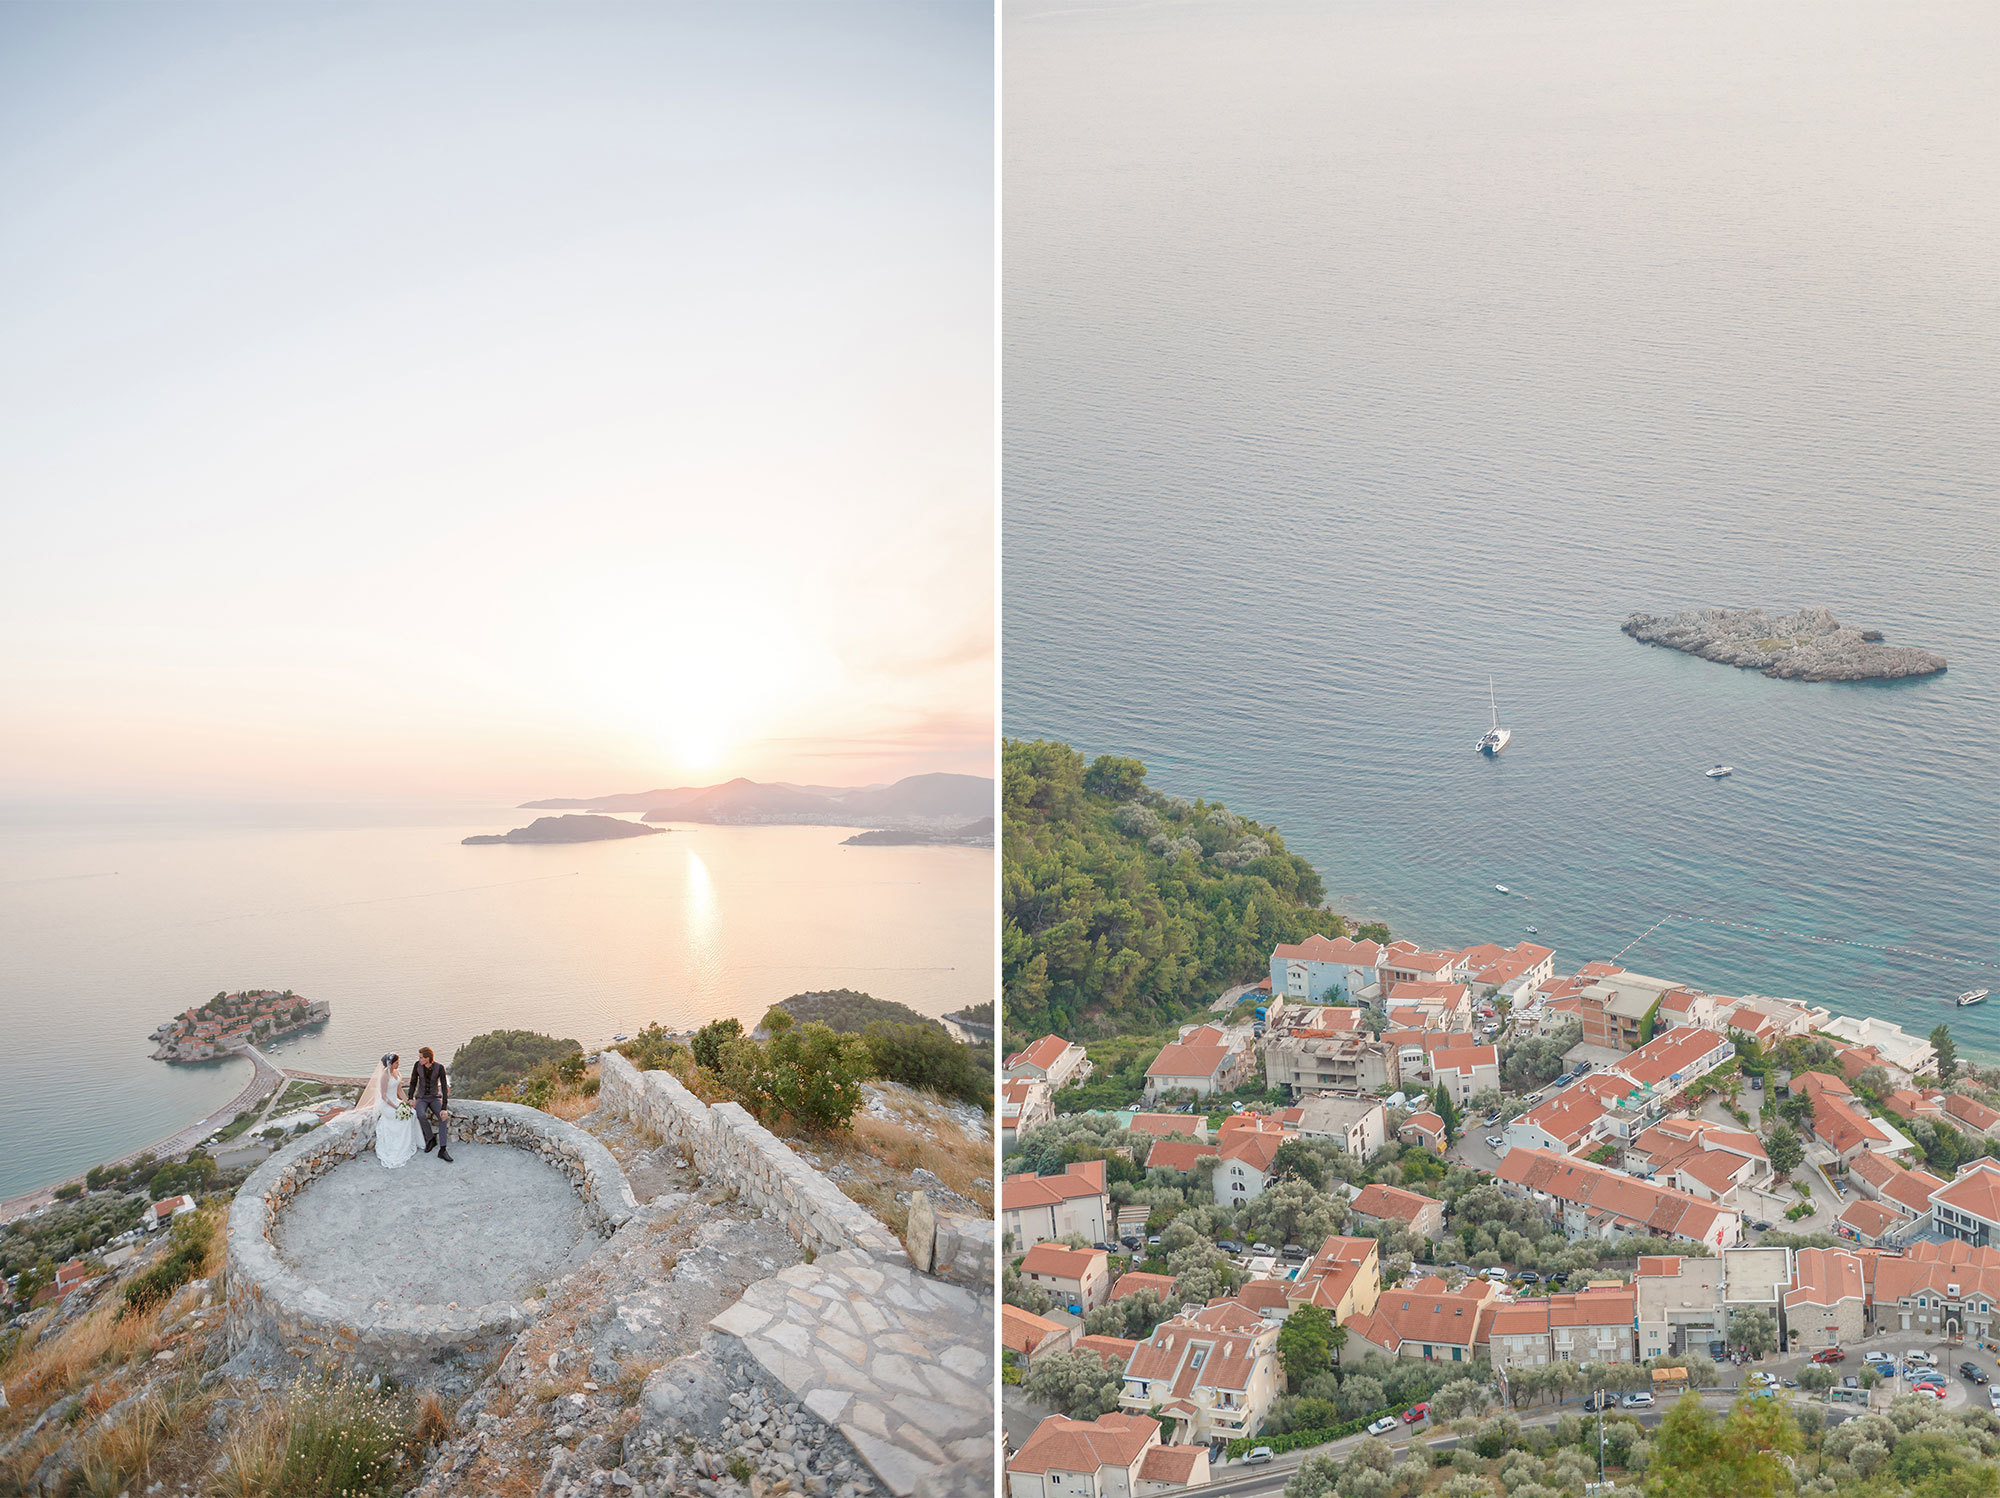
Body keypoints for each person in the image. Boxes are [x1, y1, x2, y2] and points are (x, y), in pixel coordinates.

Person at [343, 1052, 422, 1169]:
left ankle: (407, 1144)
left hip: (395, 1101)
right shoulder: (384, 1076)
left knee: (412, 1113)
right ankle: (397, 1147)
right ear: (390, 1064)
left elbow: (399, 1090)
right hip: (386, 1104)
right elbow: (384, 1096)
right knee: (400, 1118)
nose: (398, 1065)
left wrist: (406, 1102)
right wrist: (397, 1108)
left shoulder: (396, 1072)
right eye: (396, 1063)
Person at [410, 1045, 453, 1163]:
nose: (419, 1060)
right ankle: (431, 1139)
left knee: (442, 1118)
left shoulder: (439, 1068)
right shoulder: (417, 1066)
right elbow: (413, 1082)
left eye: (421, 1058)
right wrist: (410, 1098)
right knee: (421, 1115)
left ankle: (442, 1150)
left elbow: (444, 1087)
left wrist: (444, 1107)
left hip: (434, 1098)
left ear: (428, 1058)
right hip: (422, 1098)